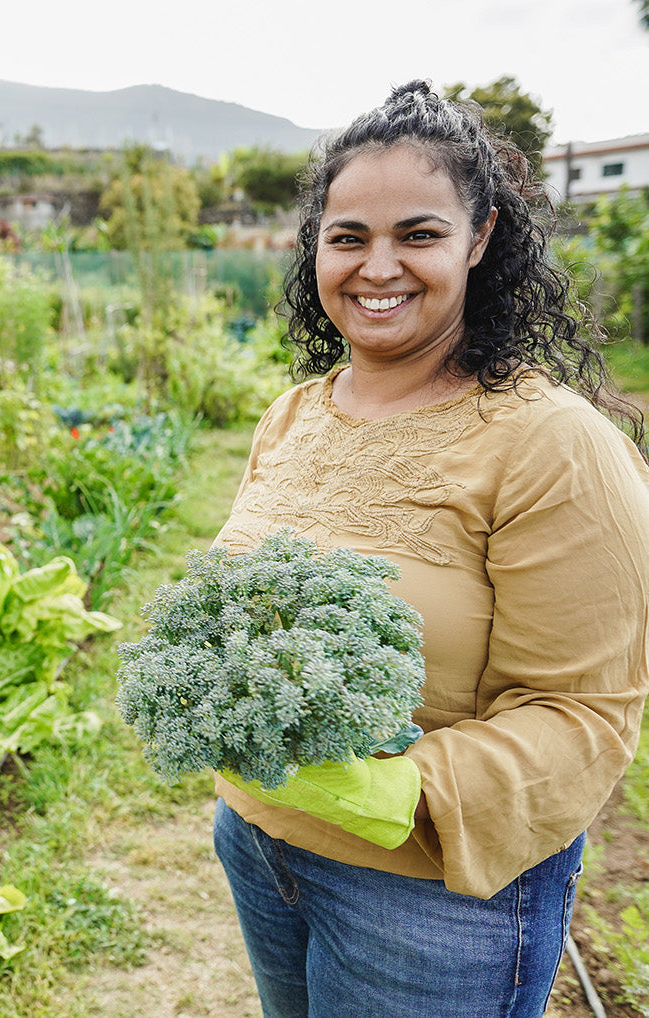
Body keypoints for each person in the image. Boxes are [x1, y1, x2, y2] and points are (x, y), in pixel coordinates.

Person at [207, 81, 649, 1017]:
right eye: (347, 237)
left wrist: (395, 789)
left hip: (430, 901)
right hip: (256, 840)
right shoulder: (296, 413)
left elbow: (586, 716)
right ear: (314, 250)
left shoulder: (550, 443)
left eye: (416, 234)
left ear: (479, 238)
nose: (377, 267)